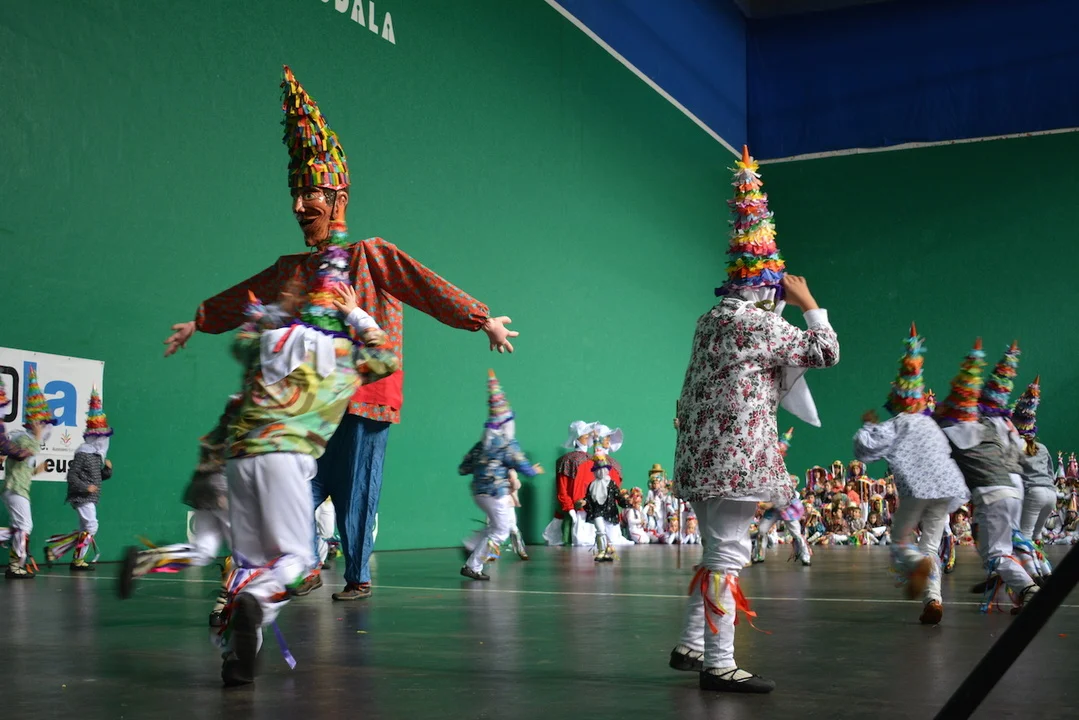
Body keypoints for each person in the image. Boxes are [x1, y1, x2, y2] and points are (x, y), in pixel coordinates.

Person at [161, 65, 519, 602]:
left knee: (356, 491)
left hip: (365, 393)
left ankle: (356, 574)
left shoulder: (372, 255)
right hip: (305, 402)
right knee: (297, 486)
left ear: (338, 199)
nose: (298, 206)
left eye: (309, 194)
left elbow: (425, 286)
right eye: (295, 195)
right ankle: (300, 564)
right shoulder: (291, 269)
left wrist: (480, 318)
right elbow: (245, 296)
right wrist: (202, 320)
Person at [668, 146, 840, 694]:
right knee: (727, 555)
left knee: (717, 550)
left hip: (701, 458)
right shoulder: (762, 325)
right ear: (770, 287)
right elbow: (826, 351)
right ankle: (719, 664)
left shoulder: (709, 320)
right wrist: (810, 302)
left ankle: (692, 645)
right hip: (736, 460)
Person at [854, 323, 968, 624]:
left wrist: (868, 425)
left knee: (900, 540)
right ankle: (933, 599)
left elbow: (865, 447)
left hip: (918, 488)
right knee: (930, 544)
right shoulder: (930, 423)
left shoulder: (899, 422)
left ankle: (918, 565)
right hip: (946, 487)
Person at [936, 340, 1039, 614]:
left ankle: (1029, 589)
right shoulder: (990, 427)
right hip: (1012, 490)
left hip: (993, 495)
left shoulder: (953, 430)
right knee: (1001, 543)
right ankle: (1021, 584)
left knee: (996, 553)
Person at [458, 371, 542, 581]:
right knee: (501, 531)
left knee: (499, 524)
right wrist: (534, 470)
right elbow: (522, 465)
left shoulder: (481, 445)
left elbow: (463, 468)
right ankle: (473, 566)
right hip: (495, 493)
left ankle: (471, 545)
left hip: (479, 493)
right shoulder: (506, 443)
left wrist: (482, 465)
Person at [44, 387, 114, 571]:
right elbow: (71, 476)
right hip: (81, 497)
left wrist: (107, 470)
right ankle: (62, 552)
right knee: (92, 526)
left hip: (89, 497)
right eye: (102, 438)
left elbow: (97, 477)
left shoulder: (96, 456)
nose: (104, 441)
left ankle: (64, 554)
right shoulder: (83, 453)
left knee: (85, 529)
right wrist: (86, 488)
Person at [1, 368, 55, 579]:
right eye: (44, 425)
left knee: (19, 527)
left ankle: (15, 565)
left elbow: (22, 466)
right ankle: (16, 566)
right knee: (24, 526)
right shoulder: (25, 439)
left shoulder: (26, 441)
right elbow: (25, 453)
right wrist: (38, 437)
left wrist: (36, 471)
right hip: (15, 489)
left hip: (17, 488)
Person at [1011, 377, 1055, 582]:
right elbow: (1050, 472)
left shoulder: (1015, 446)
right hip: (1051, 495)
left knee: (1023, 536)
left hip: (1034, 494)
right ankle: (1047, 572)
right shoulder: (1042, 447)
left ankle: (1033, 574)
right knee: (1037, 537)